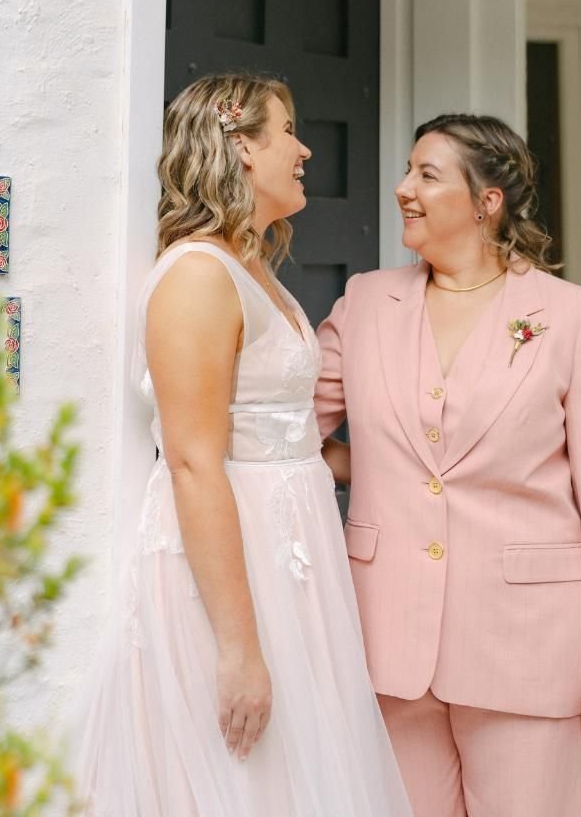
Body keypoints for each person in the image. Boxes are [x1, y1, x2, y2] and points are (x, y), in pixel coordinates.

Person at [75, 72, 412, 816]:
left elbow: (281, 435)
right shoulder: (198, 276)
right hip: (232, 567)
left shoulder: (254, 266)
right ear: (239, 147)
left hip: (292, 560)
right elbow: (196, 463)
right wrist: (238, 647)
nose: (304, 149)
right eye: (287, 130)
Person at [315, 113, 581, 817]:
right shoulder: (368, 303)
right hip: (390, 651)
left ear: (486, 202)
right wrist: (363, 467)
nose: (403, 187)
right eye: (407, 170)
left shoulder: (575, 319)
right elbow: (289, 433)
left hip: (529, 653)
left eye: (427, 175)